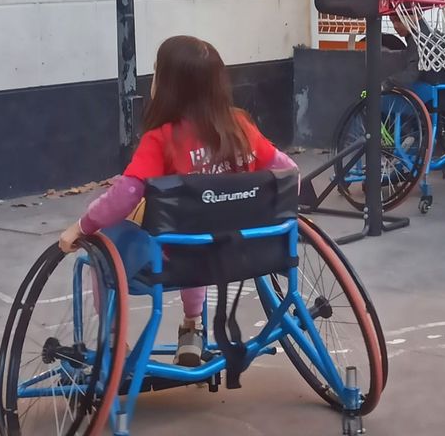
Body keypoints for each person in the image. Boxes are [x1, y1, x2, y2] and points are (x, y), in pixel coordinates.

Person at [57, 35, 298, 367]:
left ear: (167, 86)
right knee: (199, 229)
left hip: (175, 259)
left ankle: (113, 341)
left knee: (100, 254)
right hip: (242, 251)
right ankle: (192, 328)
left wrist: (83, 225)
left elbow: (127, 194)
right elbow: (287, 172)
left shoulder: (162, 139)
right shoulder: (241, 127)